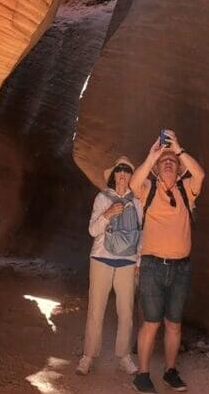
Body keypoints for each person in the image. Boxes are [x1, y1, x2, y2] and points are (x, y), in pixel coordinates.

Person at [128, 130, 205, 393]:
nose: (169, 161)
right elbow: (133, 184)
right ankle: (143, 375)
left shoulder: (187, 190)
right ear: (157, 168)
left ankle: (170, 371)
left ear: (180, 167)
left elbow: (201, 174)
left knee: (174, 323)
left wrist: (178, 148)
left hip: (181, 268)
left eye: (173, 160)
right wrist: (153, 155)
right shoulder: (148, 189)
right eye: (165, 160)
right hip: (152, 266)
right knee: (151, 323)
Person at [76, 157, 142, 377]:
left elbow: (141, 234)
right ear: (114, 175)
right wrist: (107, 214)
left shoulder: (137, 201)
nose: (122, 173)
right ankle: (88, 356)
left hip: (127, 262)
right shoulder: (102, 198)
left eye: (127, 170)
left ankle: (124, 357)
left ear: (132, 176)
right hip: (101, 259)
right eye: (119, 169)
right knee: (96, 309)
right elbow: (93, 231)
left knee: (126, 312)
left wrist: (138, 262)